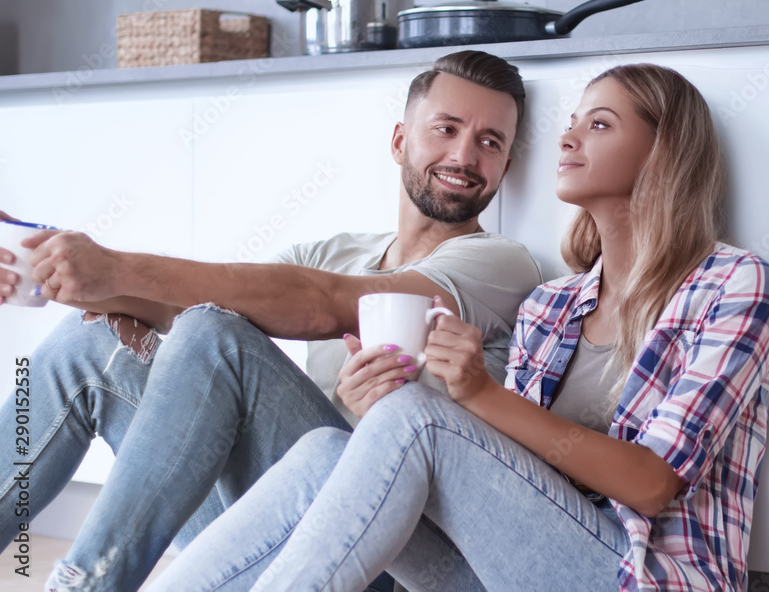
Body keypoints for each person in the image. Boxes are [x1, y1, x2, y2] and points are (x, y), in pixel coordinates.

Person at [149, 63, 769, 592]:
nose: (567, 141)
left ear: (664, 151)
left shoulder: (733, 285)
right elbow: (511, 477)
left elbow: (652, 485)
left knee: (415, 418)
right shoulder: (552, 305)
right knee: (329, 448)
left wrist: (476, 397)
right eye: (571, 125)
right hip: (517, 565)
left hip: (637, 576)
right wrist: (425, 395)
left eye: (599, 125)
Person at [0, 50, 543, 591]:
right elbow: (175, 312)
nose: (465, 155)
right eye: (445, 129)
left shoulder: (500, 263)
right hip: (273, 523)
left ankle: (83, 585)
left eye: (489, 142)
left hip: (383, 553)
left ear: (506, 167)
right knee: (91, 337)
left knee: (216, 333)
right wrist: (50, 272)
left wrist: (114, 266)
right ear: (400, 141)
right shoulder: (330, 251)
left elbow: (326, 304)